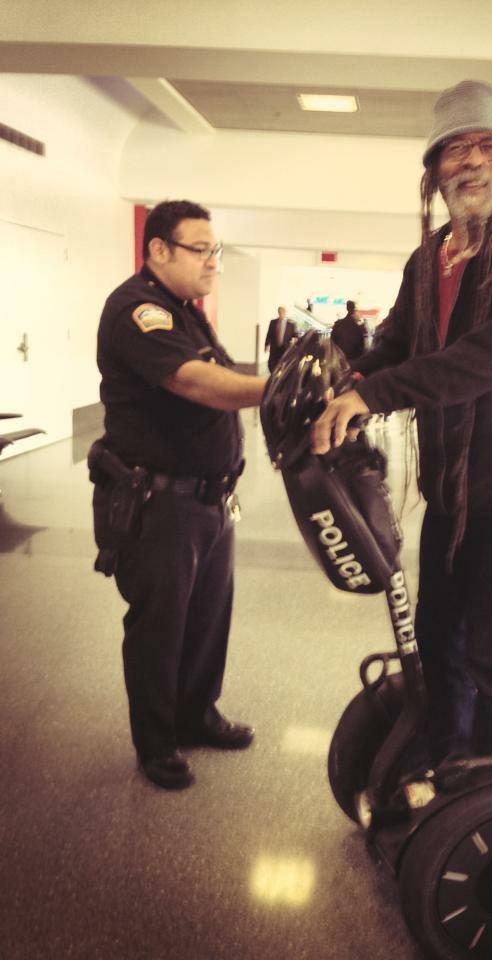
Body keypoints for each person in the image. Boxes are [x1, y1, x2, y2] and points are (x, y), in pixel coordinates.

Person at [312, 80, 492, 767]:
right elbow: (398, 342)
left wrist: (375, 396)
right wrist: (347, 381)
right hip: (449, 489)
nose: (472, 162)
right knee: (437, 636)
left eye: (488, 147)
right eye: (456, 150)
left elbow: (488, 358)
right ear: (435, 172)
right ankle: (443, 762)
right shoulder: (428, 259)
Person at [91, 199, 267, 790]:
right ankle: (157, 742)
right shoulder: (137, 310)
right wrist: (275, 390)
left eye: (216, 249)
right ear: (159, 249)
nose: (213, 261)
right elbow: (196, 383)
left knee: (208, 616)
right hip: (159, 504)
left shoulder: (186, 310)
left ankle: (197, 713)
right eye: (201, 249)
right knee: (160, 626)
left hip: (211, 500)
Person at [264, 305, 296, 372]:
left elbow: (294, 335)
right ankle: (273, 375)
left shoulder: (291, 324)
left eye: (282, 312)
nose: (281, 314)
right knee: (272, 363)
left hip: (285, 347)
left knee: (284, 363)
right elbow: (269, 334)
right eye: (279, 312)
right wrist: (266, 345)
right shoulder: (273, 322)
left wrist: (294, 342)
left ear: (285, 313)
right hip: (275, 347)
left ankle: (281, 375)